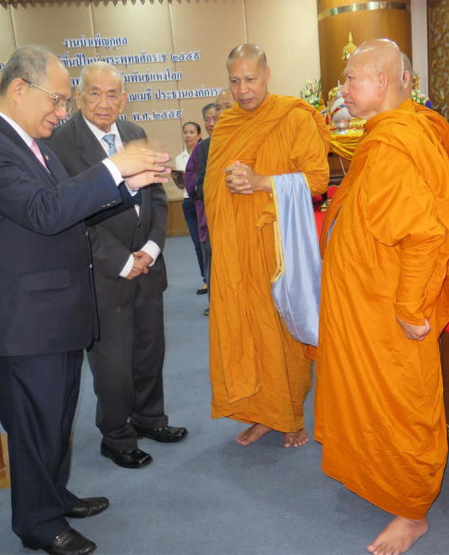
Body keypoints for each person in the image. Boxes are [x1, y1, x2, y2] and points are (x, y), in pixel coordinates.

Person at [0, 45, 169, 554]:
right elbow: (45, 212)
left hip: (57, 313)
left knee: (55, 419)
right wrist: (114, 167)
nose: (61, 111)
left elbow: (71, 207)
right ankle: (38, 523)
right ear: (19, 88)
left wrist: (129, 183)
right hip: (24, 321)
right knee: (35, 426)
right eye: (57, 99)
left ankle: (54, 496)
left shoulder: (33, 144)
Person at [316, 40, 449, 555]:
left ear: (381, 82)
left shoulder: (396, 144)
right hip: (365, 300)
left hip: (388, 308)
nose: (342, 88)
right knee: (373, 399)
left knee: (402, 402)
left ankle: (411, 511)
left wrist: (409, 308)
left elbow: (424, 235)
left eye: (350, 78)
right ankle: (376, 474)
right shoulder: (384, 136)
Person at [47, 60, 187, 470]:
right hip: (101, 273)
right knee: (113, 365)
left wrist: (152, 249)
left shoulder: (134, 134)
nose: (104, 103)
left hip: (148, 267)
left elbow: (157, 196)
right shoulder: (60, 144)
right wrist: (122, 260)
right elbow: (72, 215)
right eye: (94, 93)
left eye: (112, 95)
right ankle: (117, 436)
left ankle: (149, 418)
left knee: (149, 352)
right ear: (79, 96)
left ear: (124, 100)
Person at [205, 44, 330, 448]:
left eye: (250, 79)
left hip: (279, 246)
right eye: (235, 81)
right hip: (236, 248)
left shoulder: (293, 117)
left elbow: (317, 179)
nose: (243, 90)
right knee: (246, 326)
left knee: (281, 327)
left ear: (267, 74)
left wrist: (261, 182)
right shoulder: (227, 124)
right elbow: (211, 188)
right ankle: (261, 414)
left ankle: (290, 415)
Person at [184, 103, 217, 316]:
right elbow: (189, 176)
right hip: (208, 215)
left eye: (215, 118)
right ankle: (215, 304)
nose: (211, 123)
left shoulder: (237, 141)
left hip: (237, 216)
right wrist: (203, 186)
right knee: (211, 260)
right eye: (207, 119)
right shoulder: (201, 148)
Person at [175, 121, 206, 294]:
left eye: (191, 132)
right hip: (188, 203)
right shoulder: (179, 158)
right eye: (185, 132)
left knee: (209, 242)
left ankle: (217, 276)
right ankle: (206, 279)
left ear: (199, 135)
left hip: (203, 201)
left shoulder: (205, 152)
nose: (188, 135)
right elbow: (182, 185)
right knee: (197, 244)